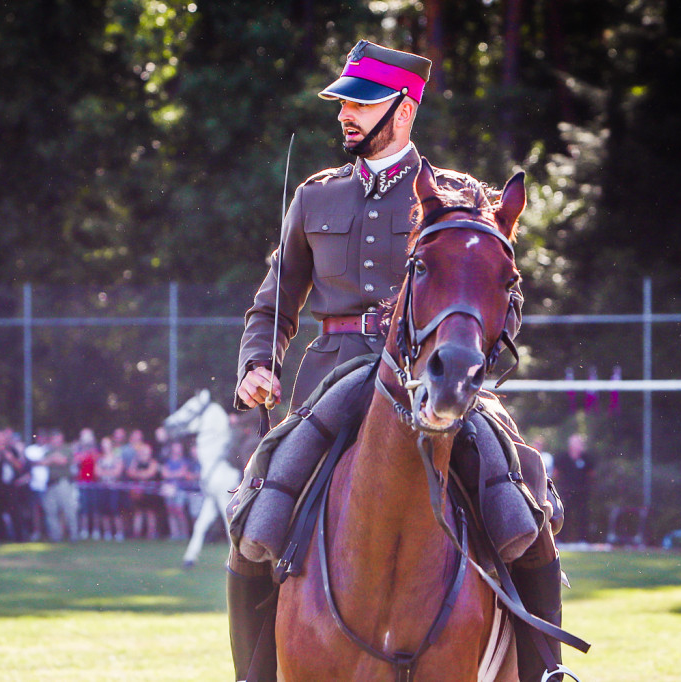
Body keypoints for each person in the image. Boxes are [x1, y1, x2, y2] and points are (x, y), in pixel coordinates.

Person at [227, 41, 559, 682]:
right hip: (333, 378)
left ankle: (547, 671)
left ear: (403, 110)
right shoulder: (315, 198)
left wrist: (472, 358)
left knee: (519, 495)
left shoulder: (457, 198)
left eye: (362, 103)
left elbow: (500, 293)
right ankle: (254, 674)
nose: (347, 115)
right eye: (344, 104)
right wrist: (256, 363)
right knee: (258, 513)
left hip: (436, 378)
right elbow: (276, 300)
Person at [554, 433, 594, 544]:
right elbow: (556, 473)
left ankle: (583, 540)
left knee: (583, 515)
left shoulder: (587, 458)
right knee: (564, 514)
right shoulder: (563, 458)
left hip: (582, 492)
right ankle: (561, 539)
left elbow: (591, 474)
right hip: (566, 491)